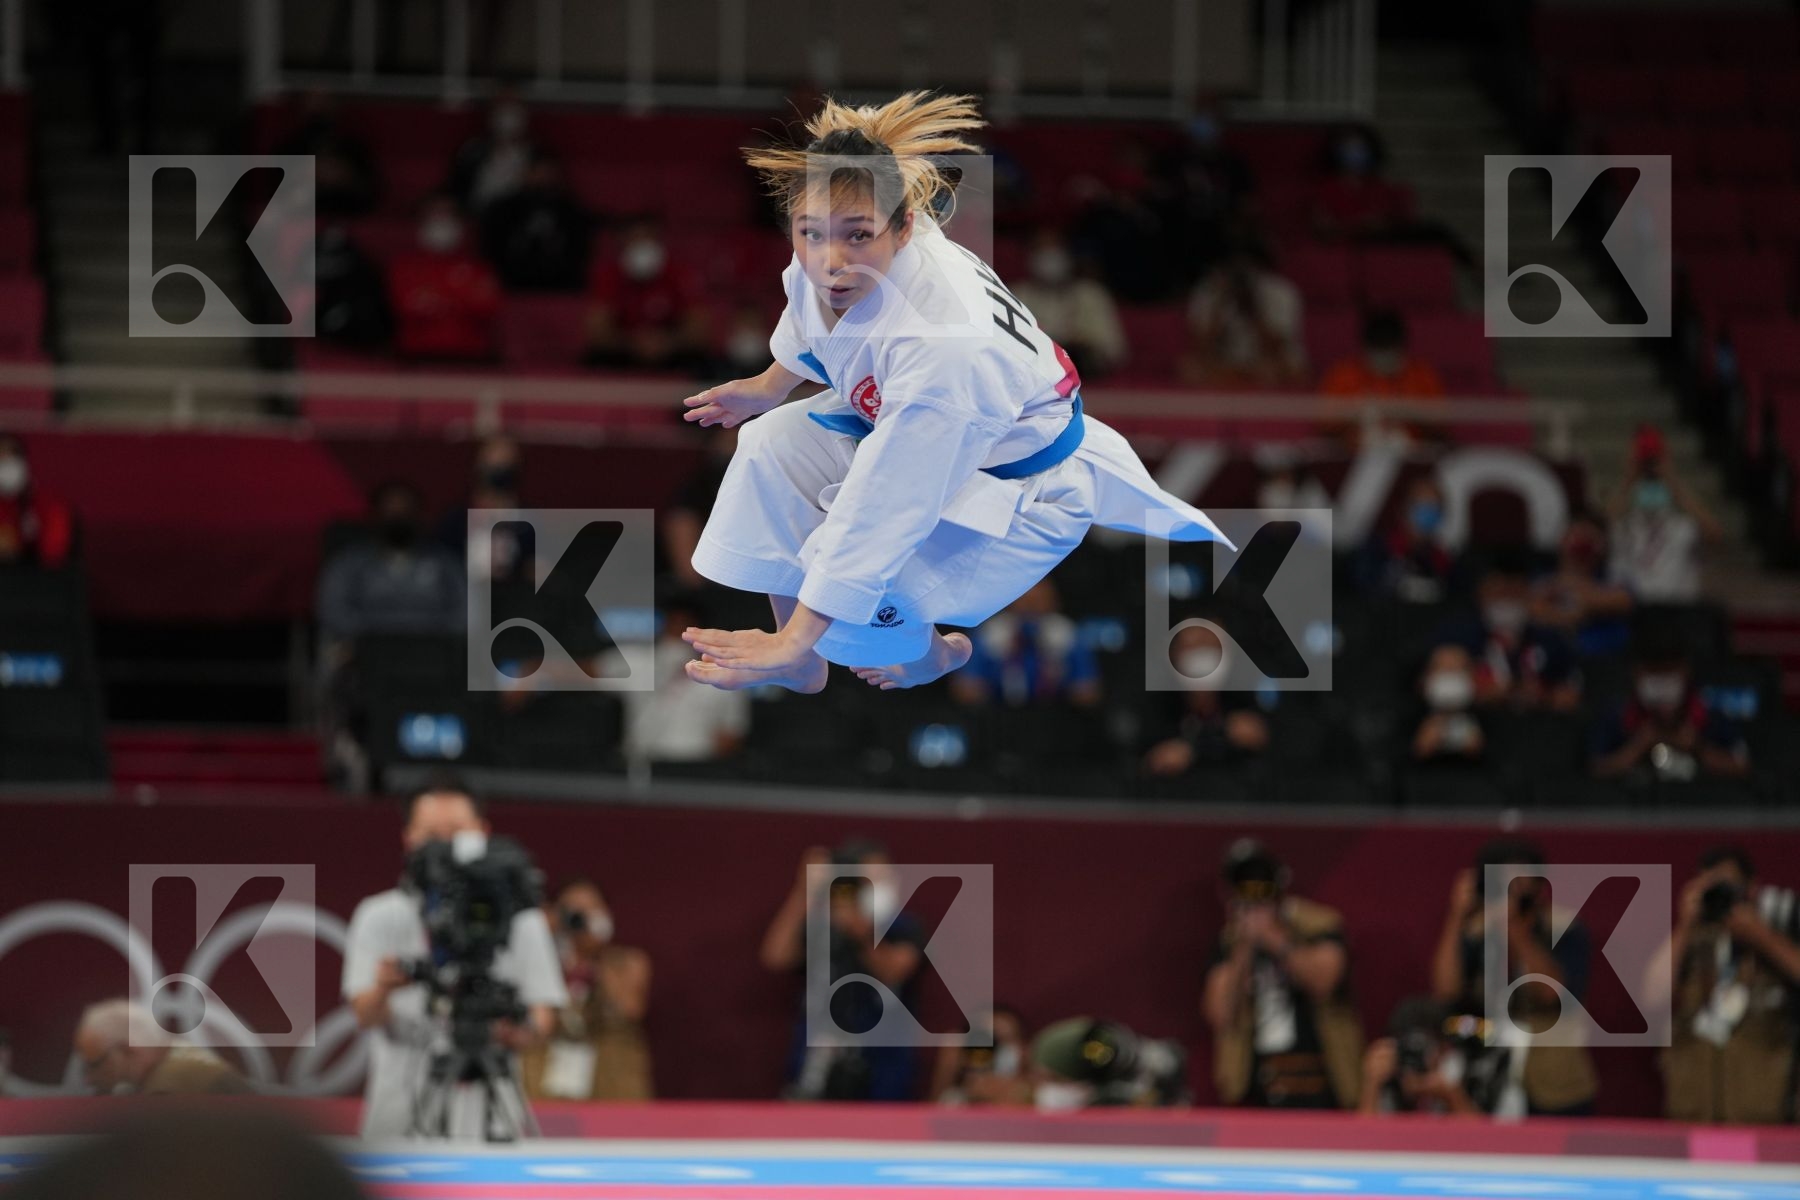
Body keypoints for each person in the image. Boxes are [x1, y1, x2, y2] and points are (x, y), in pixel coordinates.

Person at [677, 92, 1229, 697]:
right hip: (926, 430)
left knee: (842, 613)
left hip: (1019, 490)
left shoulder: (944, 348)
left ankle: (932, 652)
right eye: (810, 233)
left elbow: (884, 507)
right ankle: (799, 663)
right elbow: (811, 321)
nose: (830, 261)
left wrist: (798, 633)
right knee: (766, 442)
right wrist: (766, 388)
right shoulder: (834, 247)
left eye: (857, 236)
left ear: (907, 226)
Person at [341, 777, 567, 1138]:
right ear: (408, 837)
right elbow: (364, 1014)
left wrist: (517, 1032)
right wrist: (384, 989)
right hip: (399, 1121)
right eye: (431, 834)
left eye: (458, 832)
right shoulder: (379, 915)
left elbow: (542, 1019)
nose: (445, 847)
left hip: (491, 1123)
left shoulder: (522, 919)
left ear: (483, 832)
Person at [1429, 839, 1597, 1116]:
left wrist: (1514, 929)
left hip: (1554, 1084)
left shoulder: (1565, 927)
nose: (1510, 887)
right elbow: (1446, 991)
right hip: (1487, 1075)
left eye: (1519, 878)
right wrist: (1456, 915)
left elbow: (1550, 993)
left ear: (1540, 883)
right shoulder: (1476, 932)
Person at [760, 839, 925, 1101]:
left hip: (881, 1062)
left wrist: (858, 927)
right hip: (819, 1057)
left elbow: (895, 970)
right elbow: (776, 956)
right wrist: (805, 890)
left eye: (885, 875)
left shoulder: (904, 926)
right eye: (871, 877)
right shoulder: (822, 926)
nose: (882, 884)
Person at [1202, 839, 1361, 1110]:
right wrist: (1245, 948)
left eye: (1262, 885)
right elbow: (1220, 1015)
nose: (1255, 897)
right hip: (1260, 1089)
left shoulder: (1317, 925)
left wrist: (1273, 938)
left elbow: (1323, 982)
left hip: (1323, 1084)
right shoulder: (1231, 942)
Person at [1651, 847, 1800, 1124]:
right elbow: (1651, 997)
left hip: (1764, 1115)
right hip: (1694, 1113)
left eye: (1727, 885)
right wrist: (1684, 925)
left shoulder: (1777, 933)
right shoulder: (1692, 942)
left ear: (1752, 888)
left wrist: (1761, 937)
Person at [520, 878, 653, 1101]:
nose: (581, 918)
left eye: (591, 908)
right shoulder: (545, 964)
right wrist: (544, 940)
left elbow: (629, 1009)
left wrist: (596, 954)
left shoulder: (626, 962)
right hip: (550, 1079)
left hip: (610, 1078)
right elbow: (538, 1022)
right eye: (573, 910)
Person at [317, 481, 465, 644]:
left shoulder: (445, 563)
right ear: (375, 514)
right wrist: (376, 636)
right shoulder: (349, 563)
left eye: (405, 510)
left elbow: (465, 612)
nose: (398, 517)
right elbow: (333, 611)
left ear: (419, 514)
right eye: (391, 510)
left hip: (434, 652)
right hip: (366, 651)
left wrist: (430, 635)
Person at [1589, 636, 1749, 781]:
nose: (1662, 684)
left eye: (1669, 672)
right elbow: (1596, 769)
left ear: (1685, 671)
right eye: (1654, 672)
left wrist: (1697, 747)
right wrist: (1637, 746)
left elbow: (1741, 766)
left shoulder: (1709, 715)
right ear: (1637, 673)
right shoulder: (1618, 717)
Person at [1437, 555, 1580, 711]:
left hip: (1536, 726)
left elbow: (1570, 693)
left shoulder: (1551, 641)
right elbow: (1439, 689)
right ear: (1482, 593)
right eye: (1500, 593)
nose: (1507, 602)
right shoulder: (1457, 638)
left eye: (1514, 594)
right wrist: (1477, 692)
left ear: (1527, 595)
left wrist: (1546, 695)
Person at [622, 592, 752, 764]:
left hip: (697, 767)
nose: (676, 637)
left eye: (684, 631)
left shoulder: (725, 678)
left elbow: (731, 735)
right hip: (641, 764)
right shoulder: (638, 663)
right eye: (671, 628)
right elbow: (581, 673)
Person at [1607, 426, 1720, 604]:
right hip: (1633, 616)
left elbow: (1714, 536)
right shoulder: (1622, 524)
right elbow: (1597, 533)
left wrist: (1672, 480)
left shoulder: (1683, 526)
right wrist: (1629, 479)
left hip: (1674, 615)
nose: (1648, 468)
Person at [583, 217, 712, 373]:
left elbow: (698, 328)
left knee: (701, 361)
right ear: (623, 242)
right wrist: (632, 343)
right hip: (624, 350)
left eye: (647, 238)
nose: (642, 245)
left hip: (672, 349)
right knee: (596, 358)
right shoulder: (608, 274)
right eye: (635, 238)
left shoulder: (680, 273)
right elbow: (598, 330)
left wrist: (667, 342)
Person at [949, 577, 1101, 708]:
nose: (1031, 608)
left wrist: (1060, 670)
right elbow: (964, 690)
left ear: (1053, 602)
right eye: (1026, 601)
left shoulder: (1068, 635)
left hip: (1054, 717)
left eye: (1038, 601)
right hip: (999, 718)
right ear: (1011, 600)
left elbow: (1089, 692)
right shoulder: (990, 634)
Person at [1141, 624, 1271, 776]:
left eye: (1210, 647)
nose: (1202, 657)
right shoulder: (1156, 707)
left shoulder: (1249, 701)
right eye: (1193, 647)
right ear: (1173, 653)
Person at [387, 194, 502, 362]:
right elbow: (406, 306)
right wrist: (459, 297)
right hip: (416, 357)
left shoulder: (479, 268)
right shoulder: (404, 268)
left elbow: (486, 307)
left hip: (472, 357)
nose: (441, 220)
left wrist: (436, 299)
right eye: (435, 214)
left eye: (448, 214)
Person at [1180, 240, 1306, 388]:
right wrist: (1220, 304)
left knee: (1274, 371)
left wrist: (1252, 309)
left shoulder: (1281, 291)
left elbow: (1276, 347)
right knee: (1189, 368)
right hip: (1227, 362)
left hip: (1267, 361)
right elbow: (1201, 347)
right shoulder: (1209, 290)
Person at [1008, 227, 1127, 380]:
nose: (1049, 257)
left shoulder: (1092, 295)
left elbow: (1113, 350)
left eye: (1055, 249)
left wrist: (1080, 342)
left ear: (1068, 255)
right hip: (1030, 379)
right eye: (1041, 250)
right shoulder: (1015, 295)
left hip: (1087, 378)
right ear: (1030, 256)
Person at [72, 999, 249, 1096]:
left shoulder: (164, 1093)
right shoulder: (180, 1059)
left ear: (127, 1050)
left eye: (95, 1065)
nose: (89, 1079)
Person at [479, 151, 595, 292]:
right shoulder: (503, 208)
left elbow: (580, 248)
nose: (543, 177)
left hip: (560, 282)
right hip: (511, 280)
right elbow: (491, 246)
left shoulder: (570, 209)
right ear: (525, 173)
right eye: (537, 171)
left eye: (548, 172)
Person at [1528, 511, 1633, 658]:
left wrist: (1577, 588)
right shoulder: (1543, 577)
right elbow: (1533, 608)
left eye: (1590, 537)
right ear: (1563, 539)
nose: (1582, 543)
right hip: (1551, 659)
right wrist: (1569, 617)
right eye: (1577, 535)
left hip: (1603, 659)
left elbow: (1622, 601)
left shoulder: (1613, 577)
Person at [1357, 997, 1479, 1116]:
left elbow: (1481, 1134)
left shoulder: (1454, 1081)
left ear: (1444, 1049)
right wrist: (1372, 1085)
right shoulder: (1388, 1084)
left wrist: (1452, 1096)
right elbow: (1362, 1134)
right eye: (1409, 1048)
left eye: (1424, 1047)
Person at [1354, 475, 1460, 605]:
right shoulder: (1375, 551)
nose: (1429, 512)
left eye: (1435, 506)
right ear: (1404, 508)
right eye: (1422, 505)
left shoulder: (1444, 560)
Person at [274, 90, 379, 217]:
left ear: (335, 106)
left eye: (325, 101)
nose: (319, 108)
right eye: (314, 102)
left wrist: (344, 176)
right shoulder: (288, 149)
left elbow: (372, 191)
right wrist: (304, 175)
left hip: (347, 215)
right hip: (298, 217)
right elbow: (275, 192)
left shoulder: (353, 148)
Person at [446, 84, 538, 215]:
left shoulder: (537, 154)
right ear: (491, 111)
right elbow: (456, 189)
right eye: (502, 105)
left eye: (513, 105)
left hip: (518, 219)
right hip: (477, 216)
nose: (508, 112)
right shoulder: (471, 150)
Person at [1319, 309, 1445, 400]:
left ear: (1401, 346)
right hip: (1358, 436)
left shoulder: (1422, 375)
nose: (1384, 356)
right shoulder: (1343, 375)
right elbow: (1326, 430)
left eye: (1388, 347)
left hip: (1412, 437)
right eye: (1379, 347)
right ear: (1365, 347)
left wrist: (1412, 413)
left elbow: (1442, 431)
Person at [931, 1004, 1033, 1106]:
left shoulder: (1040, 1097)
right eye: (990, 1042)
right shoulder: (953, 1100)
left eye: (1007, 1040)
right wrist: (947, 1066)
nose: (998, 1052)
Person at [0, 435, 75, 569]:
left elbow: (55, 551)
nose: (4, 463)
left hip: (35, 579)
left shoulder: (46, 503)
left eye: (10, 457)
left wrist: (21, 545)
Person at [1411, 644, 1485, 763]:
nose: (1450, 678)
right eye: (1443, 669)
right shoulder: (1410, 716)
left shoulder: (1486, 715)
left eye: (1456, 669)